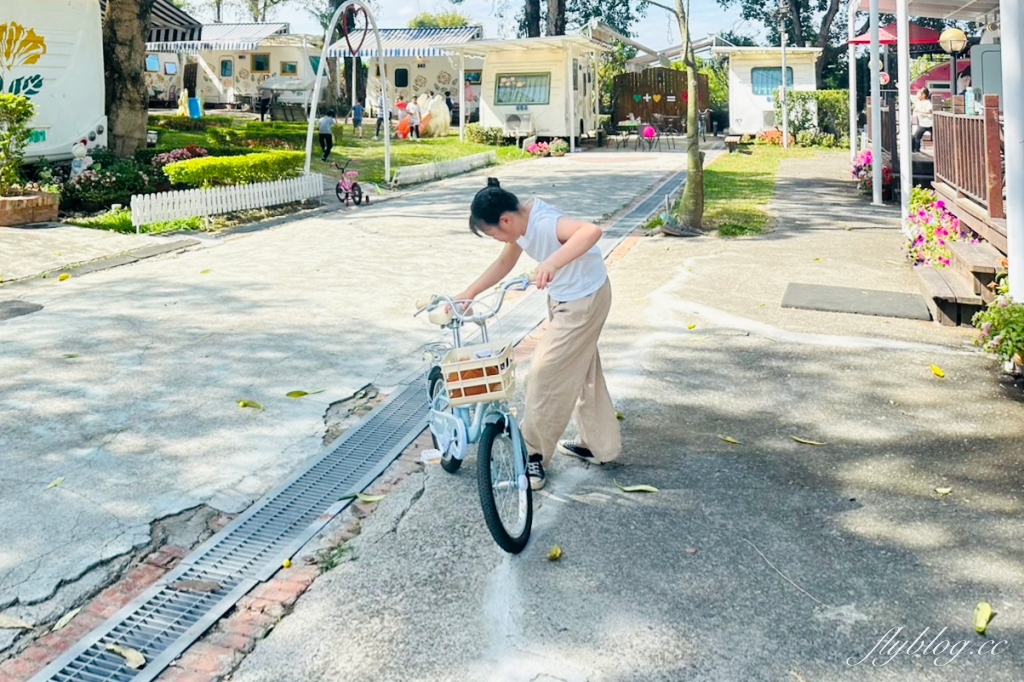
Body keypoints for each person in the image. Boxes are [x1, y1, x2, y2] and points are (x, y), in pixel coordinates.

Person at [453, 178, 621, 490]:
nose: (496, 240)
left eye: (492, 233)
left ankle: (532, 457)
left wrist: (553, 261)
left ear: (505, 220)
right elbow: (506, 260)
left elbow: (591, 232)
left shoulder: (543, 222)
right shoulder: (521, 224)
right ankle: (599, 444)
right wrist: (471, 292)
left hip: (583, 302)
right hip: (569, 298)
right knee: (581, 371)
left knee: (542, 375)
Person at [912, 88, 933, 153]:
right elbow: (910, 96)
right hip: (922, 124)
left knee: (937, 137)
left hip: (930, 123)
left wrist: (920, 111)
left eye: (918, 93)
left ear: (923, 95)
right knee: (916, 137)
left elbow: (930, 112)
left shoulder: (927, 102)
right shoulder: (917, 101)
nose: (917, 94)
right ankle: (916, 150)